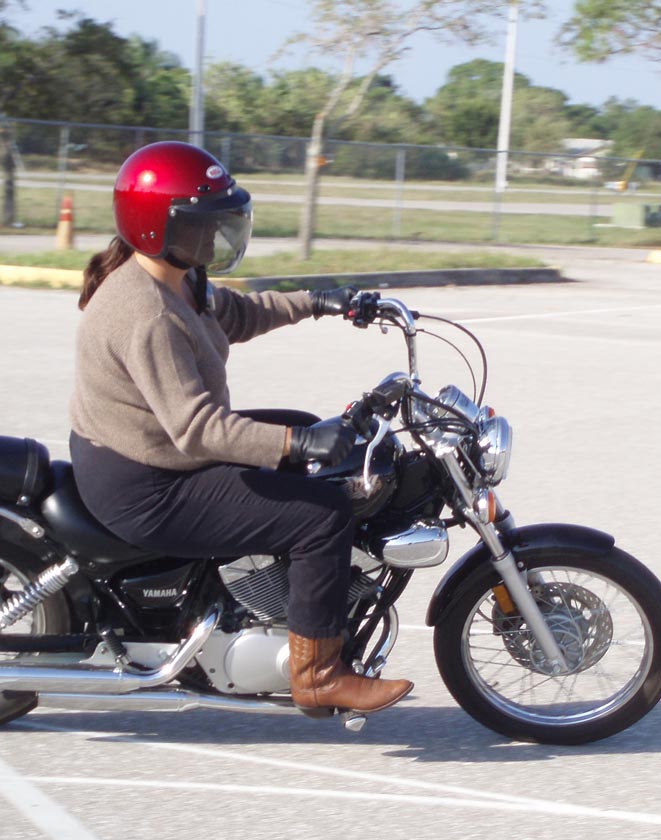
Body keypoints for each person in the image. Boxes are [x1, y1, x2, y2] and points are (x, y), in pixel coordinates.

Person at [69, 141, 412, 715]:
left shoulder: (176, 280)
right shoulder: (147, 314)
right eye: (202, 223)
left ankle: (283, 600)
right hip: (147, 483)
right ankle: (318, 674)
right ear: (158, 226)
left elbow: (241, 313)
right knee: (321, 514)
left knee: (306, 436)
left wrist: (322, 302)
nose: (215, 235)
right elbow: (197, 428)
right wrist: (297, 444)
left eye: (221, 220)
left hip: (151, 451)